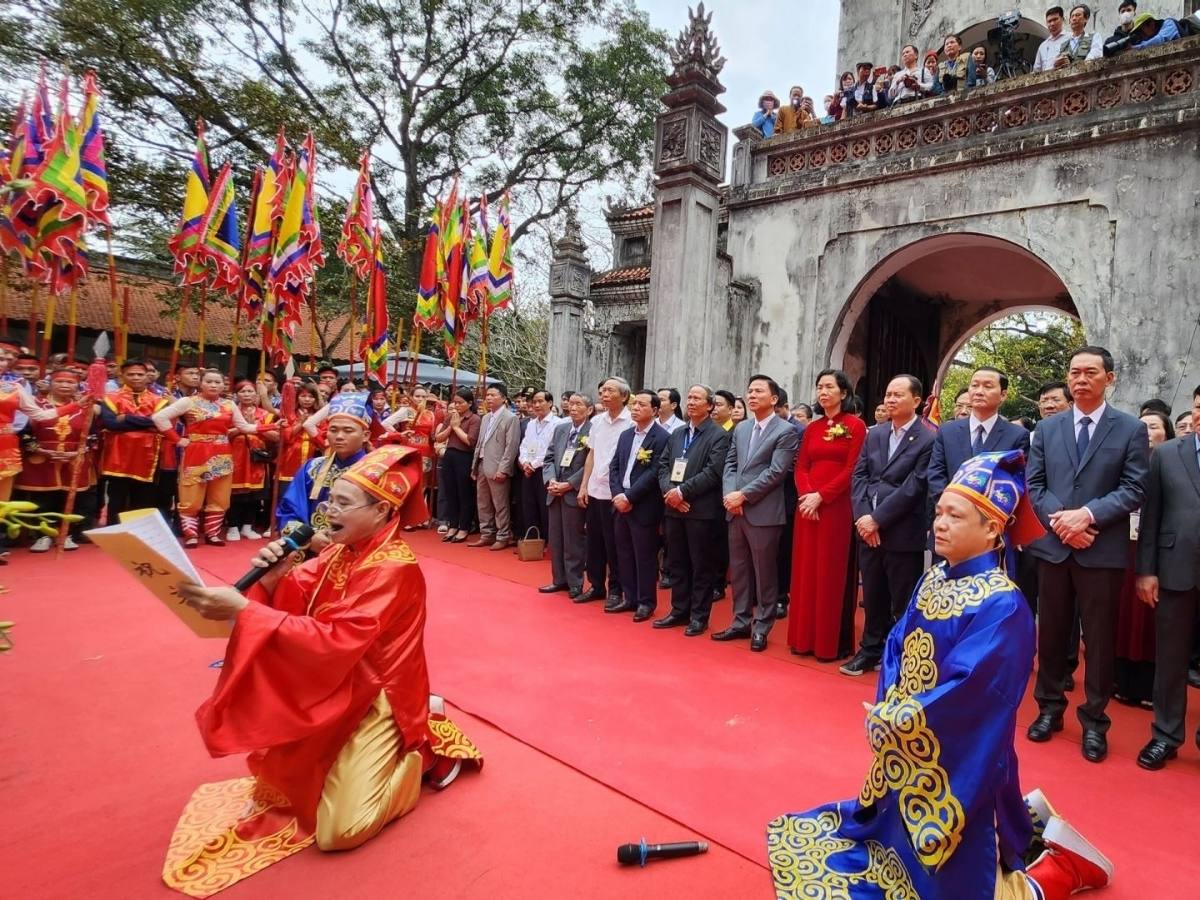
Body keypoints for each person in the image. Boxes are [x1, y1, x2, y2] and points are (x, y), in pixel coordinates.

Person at [767, 450, 1114, 900]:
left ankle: (1057, 870)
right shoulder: (935, 578)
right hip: (911, 731)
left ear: (993, 529)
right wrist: (893, 698)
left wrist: (907, 717)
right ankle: (1024, 824)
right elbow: (898, 641)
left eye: (955, 515)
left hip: (958, 749)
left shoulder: (1004, 604)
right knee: (888, 835)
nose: (939, 524)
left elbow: (976, 693)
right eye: (938, 513)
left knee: (959, 879)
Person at [167, 445, 480, 897]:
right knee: (291, 789)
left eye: (342, 504)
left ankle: (423, 752)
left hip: (376, 692)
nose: (328, 510)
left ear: (381, 510)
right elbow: (301, 603)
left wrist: (244, 612)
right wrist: (273, 578)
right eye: (329, 500)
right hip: (335, 680)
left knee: (341, 832)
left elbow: (336, 639)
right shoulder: (342, 551)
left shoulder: (392, 568)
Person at [1025, 346, 1149, 763]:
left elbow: (1134, 487)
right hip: (1056, 548)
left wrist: (1087, 516)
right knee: (1053, 634)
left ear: (1109, 378)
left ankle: (1095, 722)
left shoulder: (1129, 429)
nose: (1080, 379)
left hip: (1102, 548)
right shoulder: (1047, 428)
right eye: (1074, 372)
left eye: (1090, 372)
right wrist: (1063, 523)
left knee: (1097, 642)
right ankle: (1049, 709)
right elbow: (1035, 484)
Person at [843, 375, 935, 676]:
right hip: (867, 530)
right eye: (888, 394)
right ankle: (869, 650)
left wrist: (877, 518)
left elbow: (916, 486)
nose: (890, 400)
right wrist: (862, 517)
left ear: (917, 401)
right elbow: (859, 476)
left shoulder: (929, 439)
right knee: (871, 594)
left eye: (898, 395)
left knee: (902, 599)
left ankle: (901, 658)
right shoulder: (876, 434)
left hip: (901, 532)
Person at [1134, 387, 1200, 770]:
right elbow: (1151, 517)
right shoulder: (1168, 454)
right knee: (1171, 659)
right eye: (1197, 407)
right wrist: (1147, 570)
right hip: (1175, 568)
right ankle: (1165, 735)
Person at [714, 375, 800, 652]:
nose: (751, 395)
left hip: (763, 512)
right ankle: (740, 622)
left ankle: (762, 626)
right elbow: (730, 464)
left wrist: (744, 494)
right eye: (749, 390)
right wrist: (730, 495)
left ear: (774, 399)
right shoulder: (741, 429)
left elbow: (776, 472)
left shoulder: (785, 431)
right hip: (735, 510)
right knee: (739, 571)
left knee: (765, 574)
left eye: (758, 391)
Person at [788, 369, 867, 661]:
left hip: (836, 508)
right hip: (807, 508)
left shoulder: (855, 426)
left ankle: (829, 644)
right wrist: (807, 495)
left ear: (844, 393)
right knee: (806, 570)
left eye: (829, 387)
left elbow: (852, 469)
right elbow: (801, 466)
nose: (823, 392)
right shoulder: (812, 427)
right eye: (819, 386)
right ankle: (803, 638)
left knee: (830, 573)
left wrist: (822, 496)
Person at [152, 368, 261, 548]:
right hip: (197, 452)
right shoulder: (188, 401)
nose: (213, 385)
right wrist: (178, 440)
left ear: (223, 385)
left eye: (217, 382)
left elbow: (245, 427)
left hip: (222, 453)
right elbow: (159, 417)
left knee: (220, 496)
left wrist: (273, 425)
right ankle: (191, 535)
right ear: (201, 383)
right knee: (191, 496)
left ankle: (212, 534)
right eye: (209, 381)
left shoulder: (229, 405)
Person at [654, 384, 731, 636]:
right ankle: (679, 610)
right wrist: (670, 492)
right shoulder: (677, 434)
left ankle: (699, 616)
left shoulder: (718, 435)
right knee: (677, 562)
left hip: (701, 511)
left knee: (701, 565)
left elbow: (713, 472)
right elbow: (663, 465)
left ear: (710, 406)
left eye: (698, 398)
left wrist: (682, 492)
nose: (691, 402)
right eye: (689, 397)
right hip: (674, 508)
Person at [927, 367, 1031, 536]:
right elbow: (936, 474)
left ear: (1003, 395)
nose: (979, 391)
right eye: (974, 385)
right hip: (948, 526)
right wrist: (954, 512)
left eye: (988, 386)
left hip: (990, 529)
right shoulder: (947, 431)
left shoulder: (1017, 436)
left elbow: (1015, 483)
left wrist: (982, 517)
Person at [275, 392, 371, 548]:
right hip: (312, 550)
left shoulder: (376, 471)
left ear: (365, 435)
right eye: (333, 430)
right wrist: (308, 538)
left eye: (348, 431)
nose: (339, 436)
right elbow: (288, 510)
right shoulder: (311, 467)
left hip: (356, 550)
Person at [606, 390, 669, 622]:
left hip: (643, 506)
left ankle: (646, 601)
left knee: (644, 556)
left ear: (654, 411)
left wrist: (629, 497)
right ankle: (629, 597)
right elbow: (614, 467)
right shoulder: (625, 435)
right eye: (634, 404)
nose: (635, 408)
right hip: (620, 503)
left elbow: (654, 473)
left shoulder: (662, 437)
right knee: (624, 553)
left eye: (642, 405)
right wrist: (617, 494)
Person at [18, 367, 97, 551]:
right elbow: (24, 433)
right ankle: (43, 535)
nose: (64, 385)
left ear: (78, 386)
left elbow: (92, 435)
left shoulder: (86, 408)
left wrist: (78, 451)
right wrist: (39, 450)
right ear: (50, 383)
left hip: (73, 458)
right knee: (42, 499)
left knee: (70, 497)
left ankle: (66, 534)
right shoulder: (35, 404)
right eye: (59, 381)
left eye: (70, 382)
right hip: (41, 458)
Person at [577, 378, 634, 601]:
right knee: (594, 541)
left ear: (624, 396)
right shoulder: (598, 421)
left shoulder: (631, 421)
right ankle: (596, 585)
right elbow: (591, 453)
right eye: (602, 391)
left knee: (615, 543)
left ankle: (616, 589)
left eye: (610, 391)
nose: (604, 395)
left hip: (616, 492)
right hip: (595, 488)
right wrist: (583, 485)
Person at [99, 359, 165, 525]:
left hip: (147, 454)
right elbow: (111, 424)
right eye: (131, 374)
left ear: (147, 376)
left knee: (144, 497)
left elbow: (161, 423)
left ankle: (140, 532)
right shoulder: (111, 398)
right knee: (117, 498)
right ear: (122, 376)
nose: (136, 377)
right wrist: (147, 423)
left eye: (140, 374)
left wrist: (126, 418)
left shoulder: (158, 400)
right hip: (118, 455)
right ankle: (114, 530)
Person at [541, 392, 592, 597]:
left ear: (589, 410)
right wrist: (551, 480)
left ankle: (575, 583)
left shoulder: (592, 430)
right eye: (571, 404)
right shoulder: (561, 428)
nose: (573, 407)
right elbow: (549, 456)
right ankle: (558, 579)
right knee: (556, 537)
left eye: (578, 404)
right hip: (555, 491)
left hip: (573, 491)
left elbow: (591, 463)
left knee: (573, 540)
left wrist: (570, 484)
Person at [469, 382, 521, 551]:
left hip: (498, 466)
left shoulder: (510, 418)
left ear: (504, 398)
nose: (488, 398)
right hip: (483, 463)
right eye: (487, 395)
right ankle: (486, 534)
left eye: (493, 395)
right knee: (482, 501)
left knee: (500, 503)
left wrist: (504, 469)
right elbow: (480, 443)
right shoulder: (485, 417)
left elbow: (511, 446)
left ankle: (503, 535)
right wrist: (474, 467)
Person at [226, 380, 279, 541]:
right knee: (234, 494)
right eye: (243, 392)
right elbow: (225, 434)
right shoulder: (229, 412)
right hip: (235, 457)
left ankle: (247, 527)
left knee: (254, 495)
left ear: (256, 395)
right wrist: (243, 427)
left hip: (257, 458)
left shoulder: (265, 415)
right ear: (237, 395)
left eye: (250, 392)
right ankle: (232, 527)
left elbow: (276, 436)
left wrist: (256, 427)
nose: (246, 395)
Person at [434, 387, 479, 544]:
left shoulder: (474, 419)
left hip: (464, 457)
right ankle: (452, 525)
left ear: (469, 403)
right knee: (450, 492)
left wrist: (457, 427)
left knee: (464, 493)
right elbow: (439, 438)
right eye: (455, 402)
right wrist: (451, 426)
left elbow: (469, 441)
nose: (457, 406)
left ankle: (464, 527)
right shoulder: (451, 417)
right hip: (449, 455)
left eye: (460, 403)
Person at [516, 389, 559, 549]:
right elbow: (525, 445)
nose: (537, 405)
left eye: (541, 401)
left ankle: (549, 542)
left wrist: (533, 465)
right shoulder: (531, 423)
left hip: (545, 470)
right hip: (528, 469)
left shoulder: (557, 423)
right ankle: (532, 542)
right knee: (529, 506)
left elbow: (551, 449)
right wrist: (525, 462)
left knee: (545, 507)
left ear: (550, 403)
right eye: (534, 402)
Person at [1034, 6, 1071, 72]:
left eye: (1055, 19)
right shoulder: (1043, 46)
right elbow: (1037, 70)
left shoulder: (1071, 38)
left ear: (1063, 19)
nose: (1052, 24)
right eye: (1049, 21)